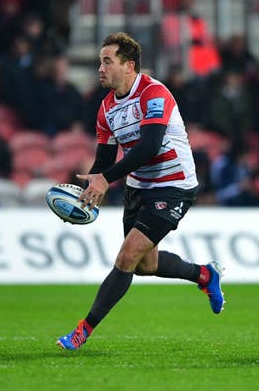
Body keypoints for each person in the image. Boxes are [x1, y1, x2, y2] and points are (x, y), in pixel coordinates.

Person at [56, 32, 225, 350]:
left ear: (129, 65)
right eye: (100, 62)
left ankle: (82, 331)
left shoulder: (153, 93)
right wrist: (86, 193)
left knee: (126, 257)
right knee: (145, 265)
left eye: (107, 61)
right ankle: (204, 275)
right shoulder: (106, 109)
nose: (100, 68)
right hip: (139, 187)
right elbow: (104, 160)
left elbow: (148, 147)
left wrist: (106, 178)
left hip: (173, 185)